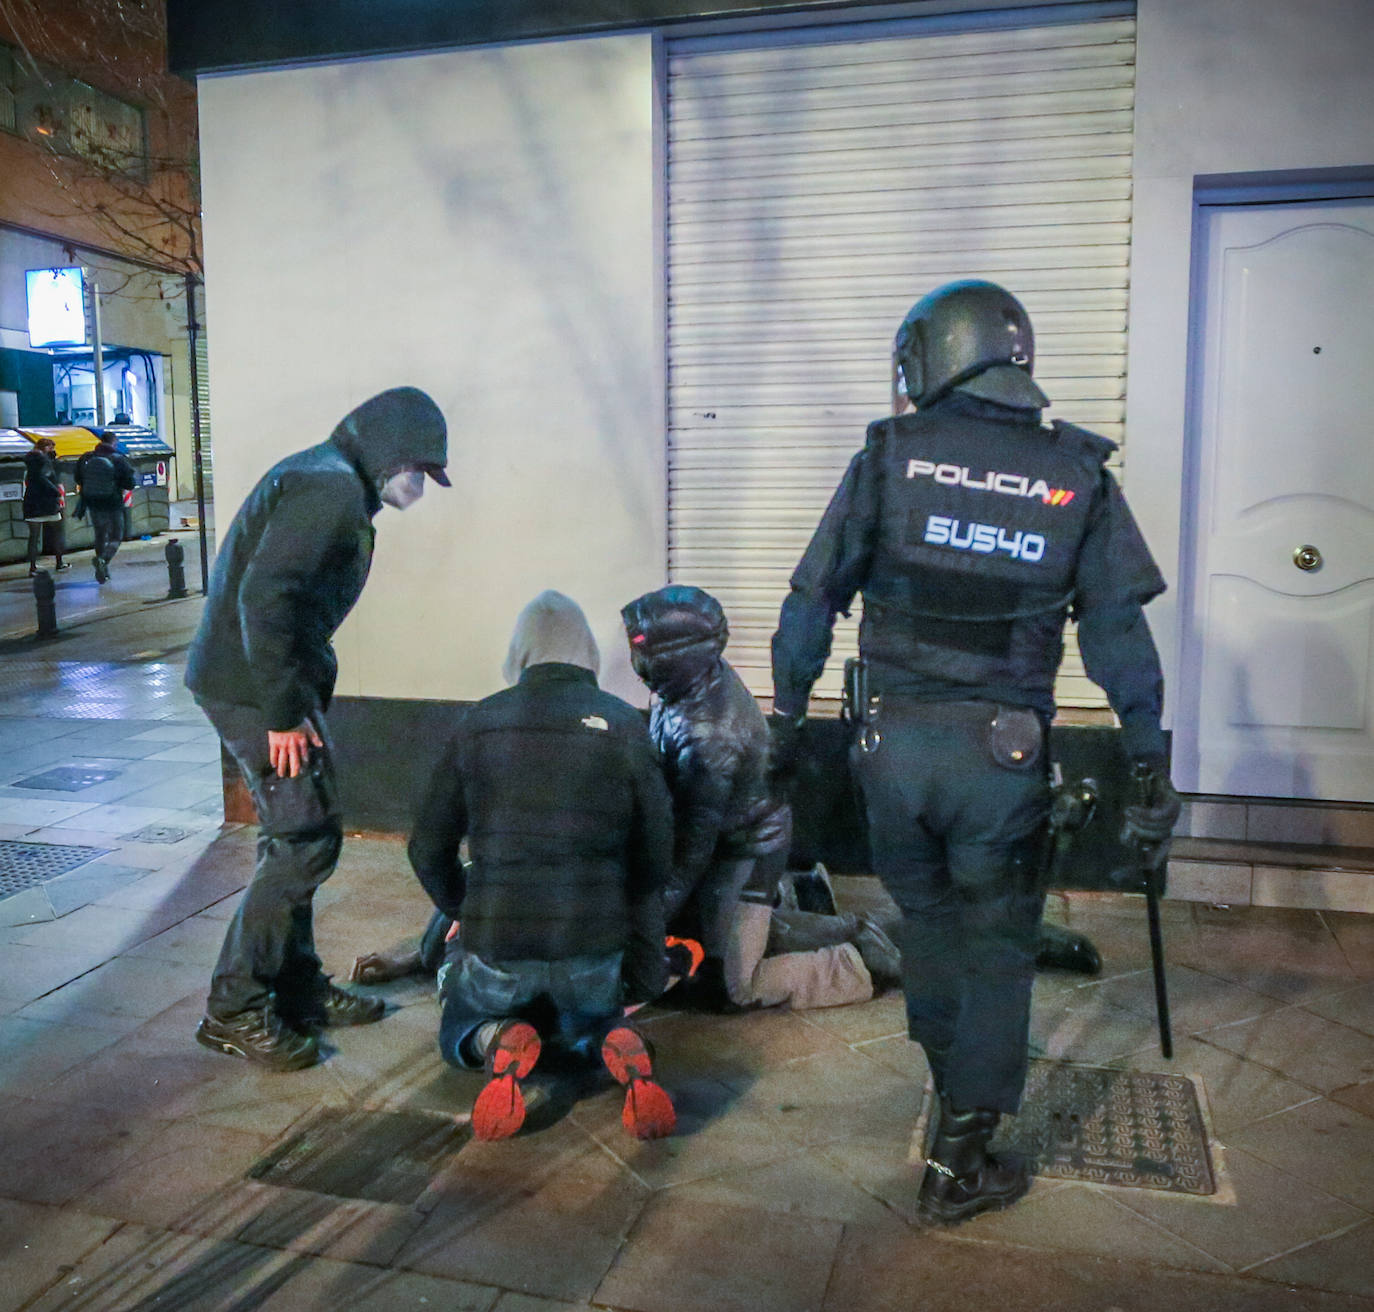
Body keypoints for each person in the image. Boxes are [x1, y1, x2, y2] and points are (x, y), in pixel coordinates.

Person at [769, 280, 1181, 1225]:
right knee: (996, 946)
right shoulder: (1075, 475)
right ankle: (961, 1156)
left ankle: (950, 1081)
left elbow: (809, 605)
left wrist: (784, 730)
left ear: (938, 356)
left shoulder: (888, 458)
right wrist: (1150, 765)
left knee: (932, 925)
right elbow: (1120, 637)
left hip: (889, 754)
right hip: (999, 762)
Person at [187, 386, 450, 1071]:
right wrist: (280, 714)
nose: (418, 485)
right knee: (303, 841)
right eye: (417, 469)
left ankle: (296, 987)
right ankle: (236, 1007)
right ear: (388, 451)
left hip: (267, 687)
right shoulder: (328, 488)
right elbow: (265, 598)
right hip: (254, 692)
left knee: (297, 836)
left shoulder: (328, 479)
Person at [409, 591, 677, 1142]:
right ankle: (605, 1037)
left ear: (519, 652)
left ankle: (496, 1037)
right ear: (588, 653)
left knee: (458, 1022)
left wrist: (465, 906)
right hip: (592, 940)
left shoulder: (478, 723)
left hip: (499, 941)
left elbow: (426, 847)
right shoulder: (627, 725)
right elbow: (657, 853)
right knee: (583, 1013)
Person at [622, 585, 902, 1012]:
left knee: (740, 985)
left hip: (746, 853)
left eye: (643, 646)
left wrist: (646, 920)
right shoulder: (691, 685)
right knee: (732, 937)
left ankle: (861, 963)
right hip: (732, 841)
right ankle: (834, 920)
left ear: (680, 653)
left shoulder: (710, 732)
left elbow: (694, 848)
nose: (636, 657)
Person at [74, 434, 135, 583]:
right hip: (112, 502)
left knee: (100, 534)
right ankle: (103, 560)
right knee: (116, 535)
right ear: (114, 442)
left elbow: (77, 478)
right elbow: (130, 483)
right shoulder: (118, 458)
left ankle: (103, 571)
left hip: (93, 502)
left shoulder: (86, 458)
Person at [22, 437, 69, 575]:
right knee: (57, 533)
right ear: (45, 447)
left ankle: (32, 568)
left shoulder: (30, 461)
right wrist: (56, 492)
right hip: (47, 503)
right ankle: (59, 563)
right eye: (51, 448)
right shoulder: (43, 461)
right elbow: (46, 479)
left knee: (34, 537)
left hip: (31, 503)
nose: (53, 450)